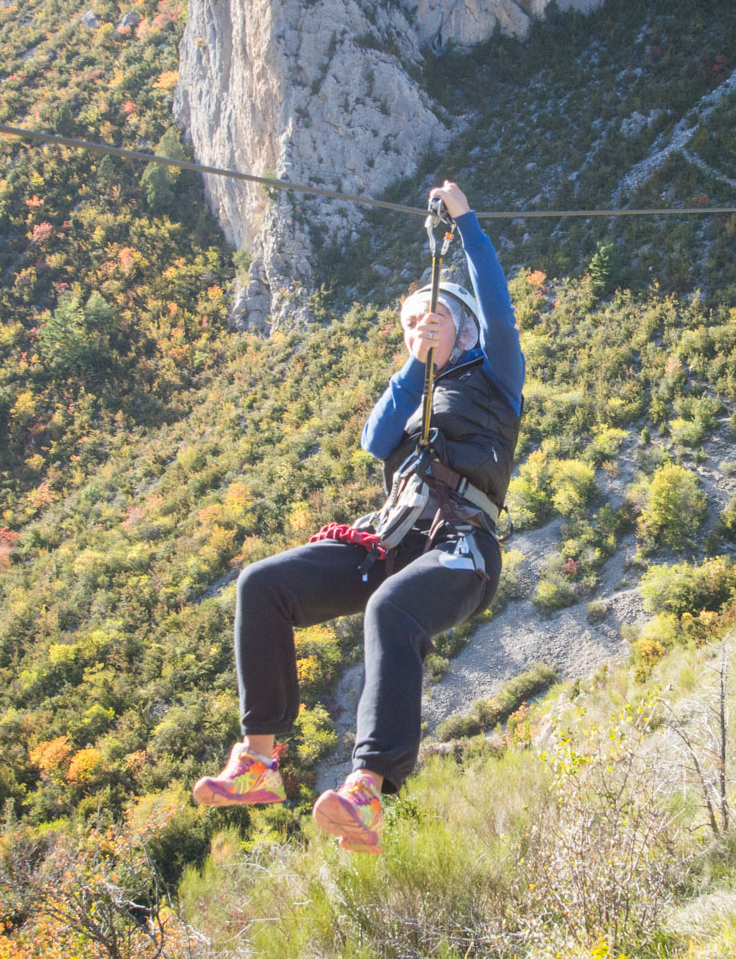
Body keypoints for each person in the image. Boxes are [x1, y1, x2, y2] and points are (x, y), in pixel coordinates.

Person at [193, 181, 525, 854]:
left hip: (460, 544)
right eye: (407, 325)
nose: (417, 329)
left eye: (431, 319)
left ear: (462, 328)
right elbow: (375, 440)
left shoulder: (495, 378)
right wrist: (414, 360)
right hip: (390, 541)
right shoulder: (409, 395)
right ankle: (258, 758)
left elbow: (497, 305)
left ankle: (369, 788)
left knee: (391, 613)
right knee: (263, 585)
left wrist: (466, 225)